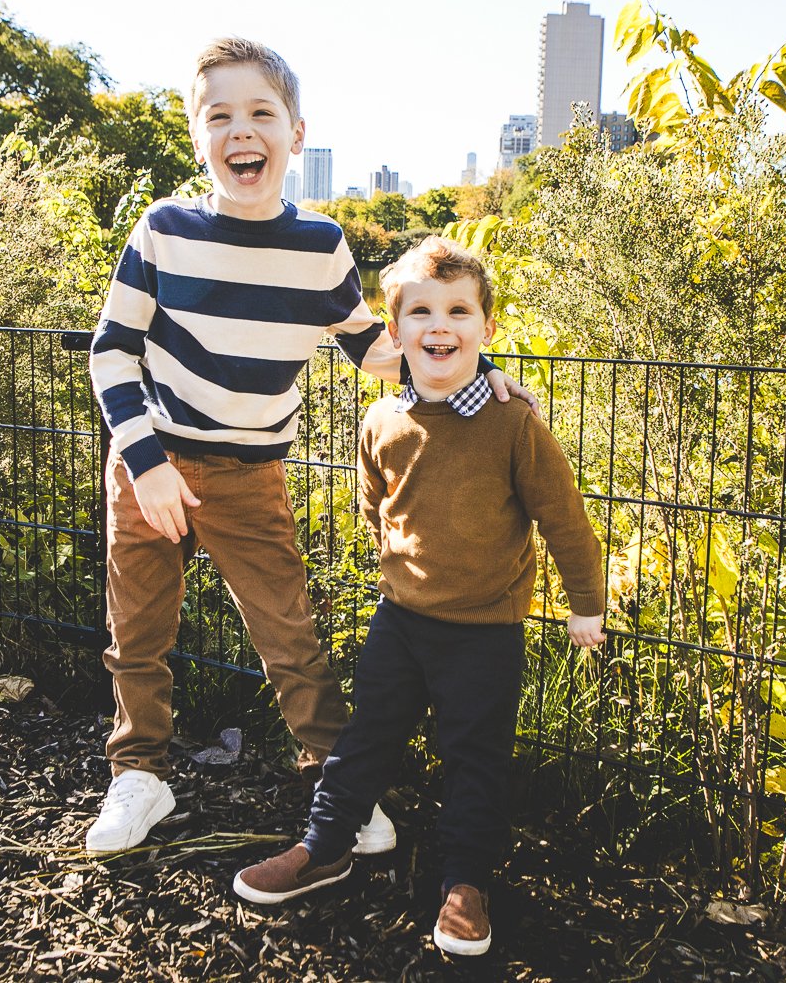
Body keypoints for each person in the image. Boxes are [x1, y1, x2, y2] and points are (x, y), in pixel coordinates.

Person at [85, 39, 537, 855]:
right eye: (218, 116)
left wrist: (484, 368)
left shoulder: (319, 245)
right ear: (198, 137)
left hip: (251, 475)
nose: (240, 130)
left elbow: (372, 343)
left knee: (289, 635)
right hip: (151, 464)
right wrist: (145, 463)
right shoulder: (162, 232)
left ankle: (340, 782)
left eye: (261, 112)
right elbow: (112, 351)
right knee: (137, 634)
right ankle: (138, 776)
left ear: (296, 133)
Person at [231, 237, 607, 957]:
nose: (441, 326)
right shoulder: (381, 421)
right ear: (393, 330)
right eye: (422, 312)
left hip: (485, 633)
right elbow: (376, 504)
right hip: (399, 621)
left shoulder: (514, 424)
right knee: (363, 740)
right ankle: (325, 847)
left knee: (475, 758)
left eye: (459, 311)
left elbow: (565, 521)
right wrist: (393, 567)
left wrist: (585, 604)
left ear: (486, 330)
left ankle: (466, 885)